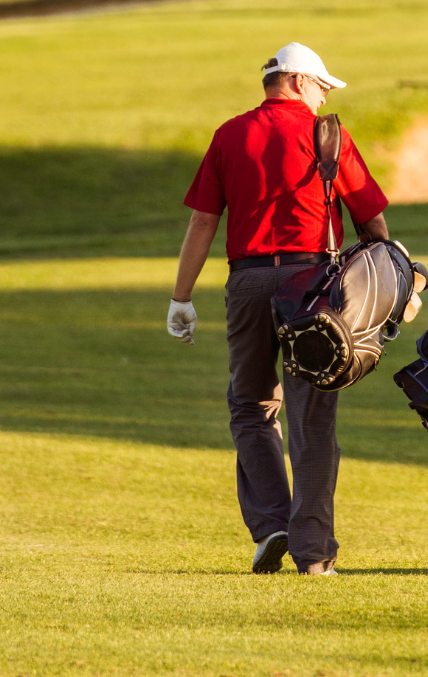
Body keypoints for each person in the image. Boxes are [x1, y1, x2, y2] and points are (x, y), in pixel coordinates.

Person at [166, 42, 390, 575]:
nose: (321, 97)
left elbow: (203, 222)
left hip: (246, 282)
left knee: (250, 405)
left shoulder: (229, 134)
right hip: (312, 286)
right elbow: (372, 222)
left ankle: (271, 524)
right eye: (320, 86)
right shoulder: (326, 134)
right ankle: (313, 555)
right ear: (296, 82)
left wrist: (181, 296)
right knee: (311, 416)